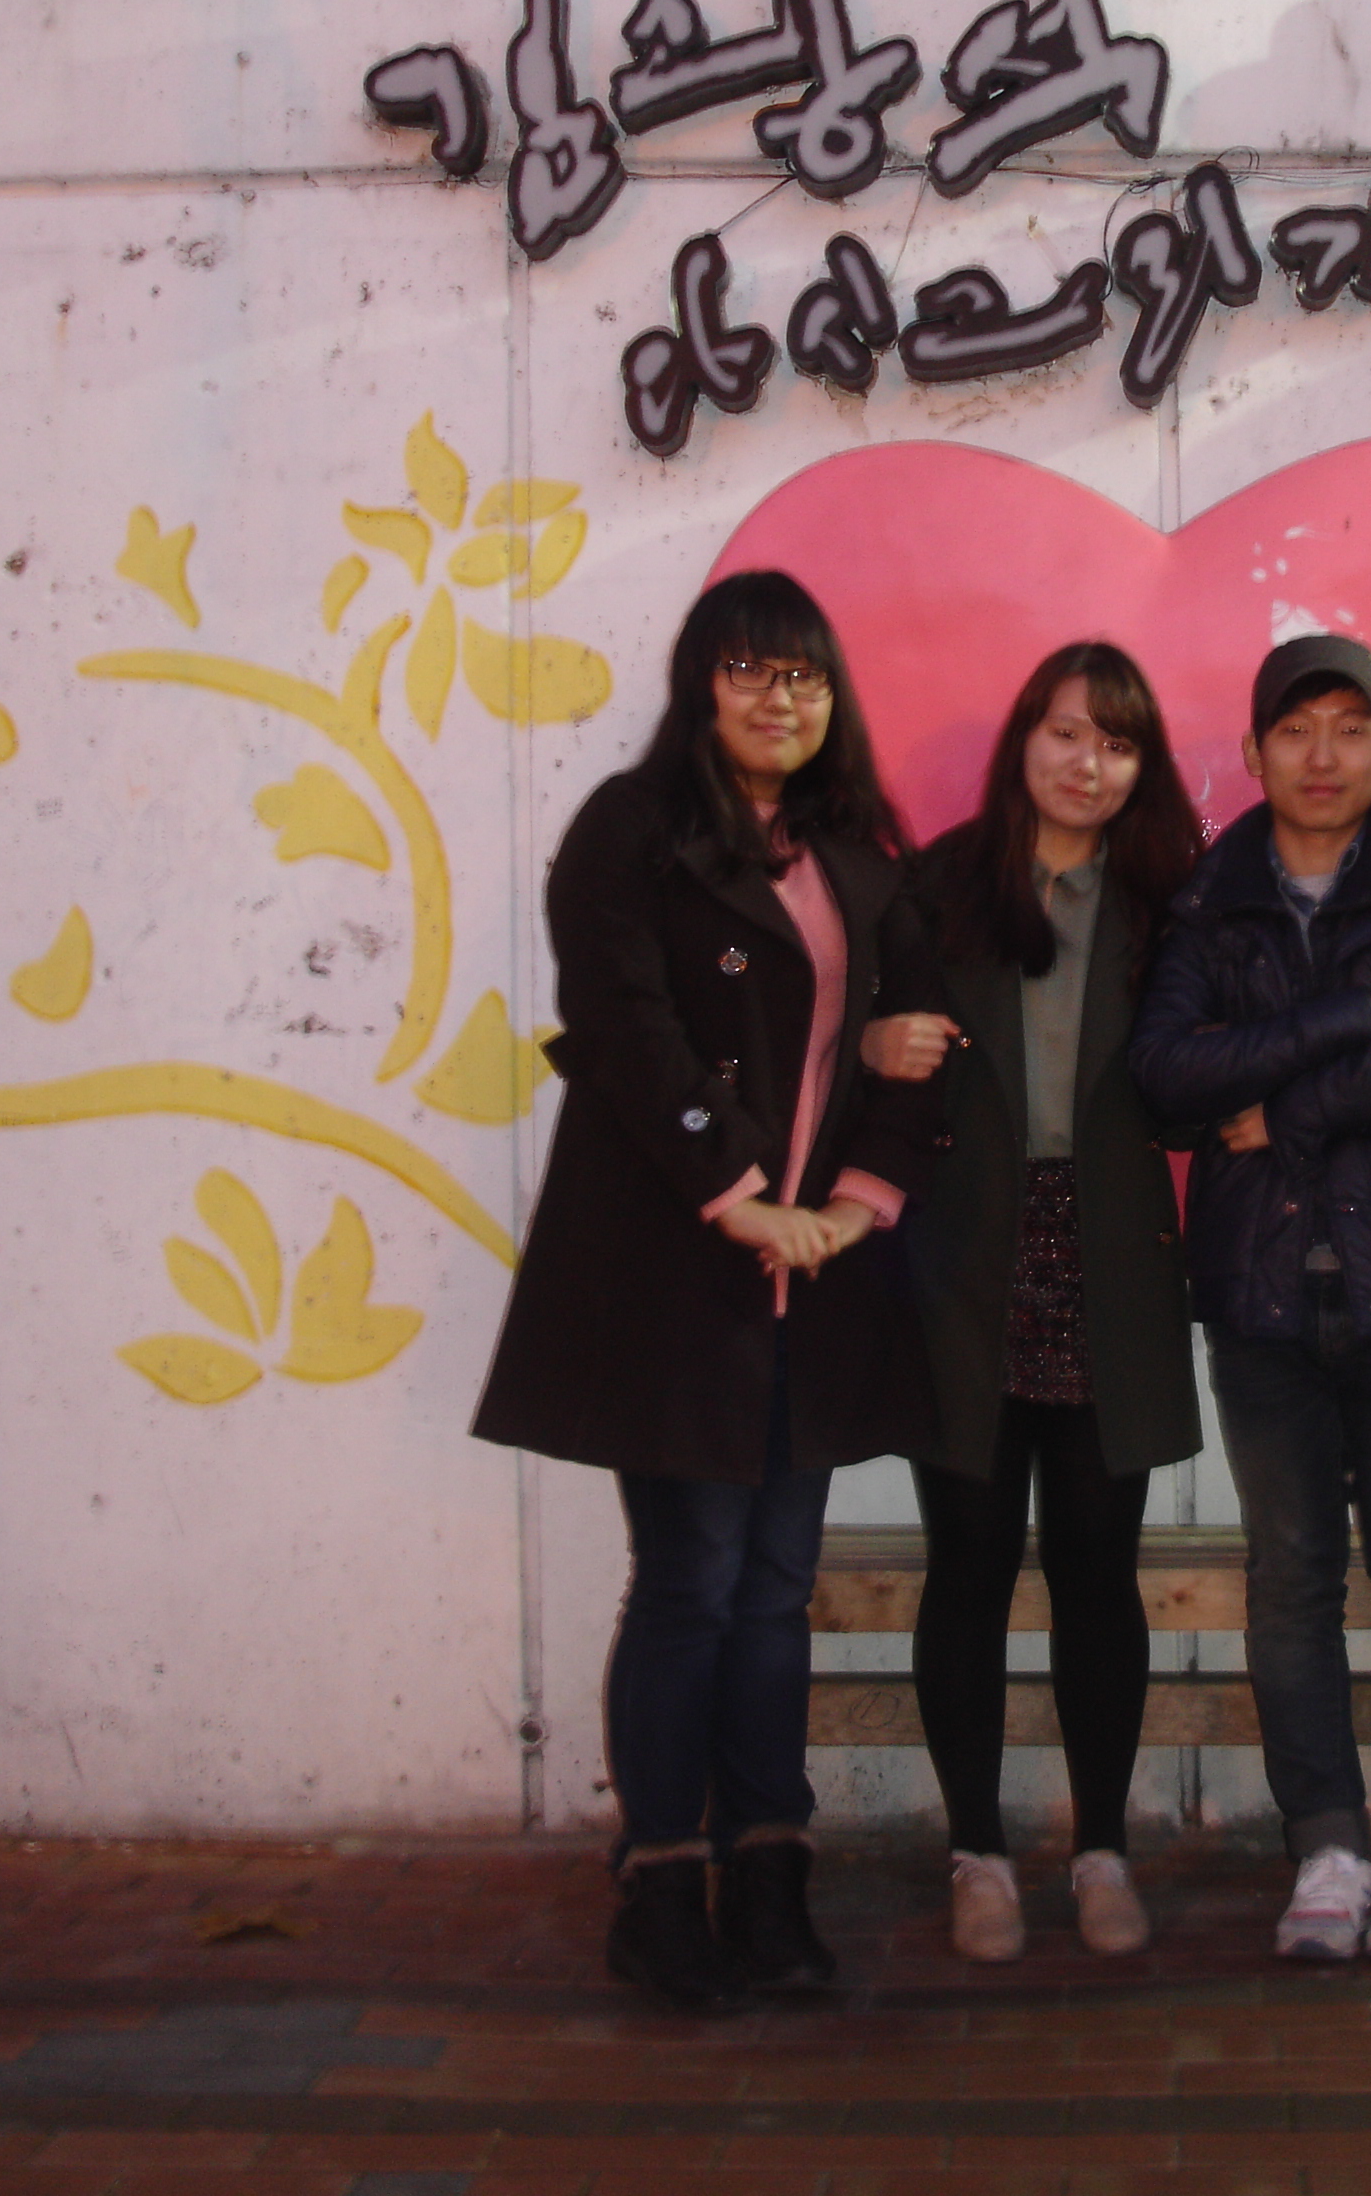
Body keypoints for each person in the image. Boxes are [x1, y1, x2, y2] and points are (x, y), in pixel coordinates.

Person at [470, 569, 941, 2013]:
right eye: (749, 671)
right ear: (700, 683)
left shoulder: (858, 852)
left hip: (819, 1280)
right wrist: (742, 1198)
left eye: (803, 675)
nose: (779, 699)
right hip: (680, 1272)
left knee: (778, 1592)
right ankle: (665, 1880)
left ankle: (773, 1872)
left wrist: (852, 1207)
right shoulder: (632, 831)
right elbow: (624, 1027)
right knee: (691, 1583)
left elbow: (908, 1043)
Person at [1128, 634, 1371, 1963]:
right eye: (1297, 730)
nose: (1324, 755)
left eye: (1352, 728)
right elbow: (1166, 1078)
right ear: (1252, 753)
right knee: (1289, 1580)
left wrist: (1285, 1111)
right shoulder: (1203, 909)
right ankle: (1330, 1845)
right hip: (1261, 1296)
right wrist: (1355, 1018)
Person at [859, 644, 1207, 1963]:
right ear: (1023, 740)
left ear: (1141, 766)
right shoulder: (942, 885)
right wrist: (870, 1047)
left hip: (1108, 1256)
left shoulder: (1172, 900)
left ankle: (1102, 1847)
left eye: (1116, 743)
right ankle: (979, 1855)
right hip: (965, 1258)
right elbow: (858, 1043)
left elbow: (1212, 1054)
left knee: (1098, 1567)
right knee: (968, 1561)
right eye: (1066, 733)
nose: (1087, 764)